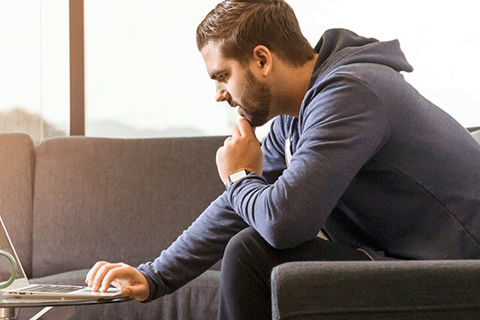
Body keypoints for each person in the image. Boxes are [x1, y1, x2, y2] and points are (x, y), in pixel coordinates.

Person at [85, 0, 480, 319]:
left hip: (458, 274)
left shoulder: (351, 94)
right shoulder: (294, 122)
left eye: (222, 75)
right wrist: (153, 276)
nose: (220, 94)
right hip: (403, 263)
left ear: (261, 59)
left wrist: (239, 176)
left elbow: (284, 223)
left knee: (253, 254)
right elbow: (237, 209)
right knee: (252, 247)